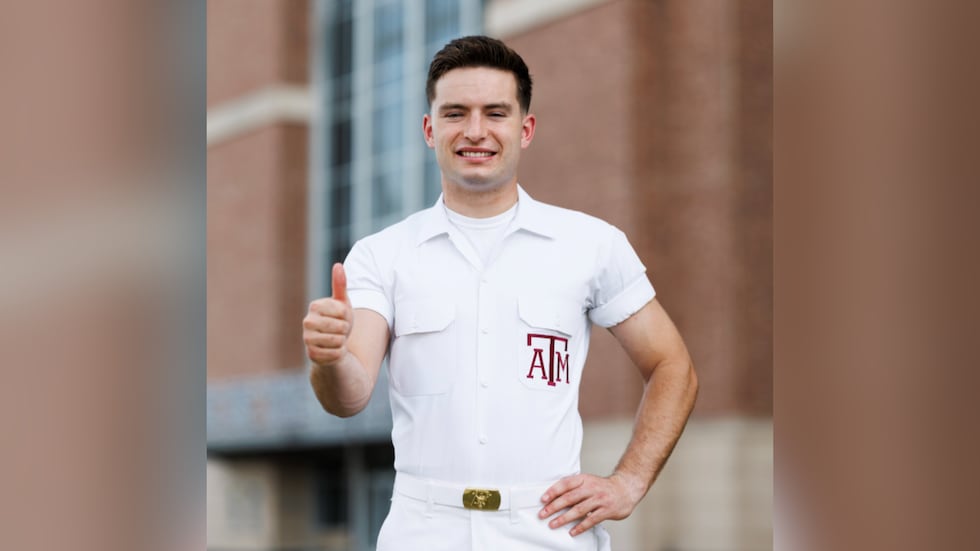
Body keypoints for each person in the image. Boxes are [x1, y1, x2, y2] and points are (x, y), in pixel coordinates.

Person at [303, 35, 698, 551]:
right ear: (429, 129)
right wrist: (327, 358)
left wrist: (628, 482)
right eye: (454, 113)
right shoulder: (382, 255)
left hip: (548, 530)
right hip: (423, 530)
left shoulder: (591, 244)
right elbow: (349, 396)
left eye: (495, 113)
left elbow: (673, 366)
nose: (475, 131)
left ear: (525, 128)